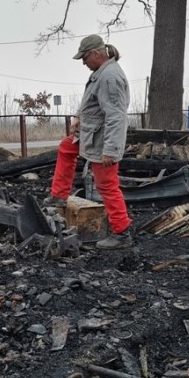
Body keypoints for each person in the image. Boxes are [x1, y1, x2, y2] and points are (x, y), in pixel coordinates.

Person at [44, 34, 132, 249]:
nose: (83, 62)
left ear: (96, 54)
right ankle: (59, 196)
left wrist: (110, 150)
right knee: (66, 147)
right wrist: (78, 118)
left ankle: (122, 233)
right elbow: (91, 103)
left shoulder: (109, 77)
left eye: (84, 58)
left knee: (107, 185)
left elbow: (116, 116)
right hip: (91, 133)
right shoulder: (100, 73)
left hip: (103, 140)